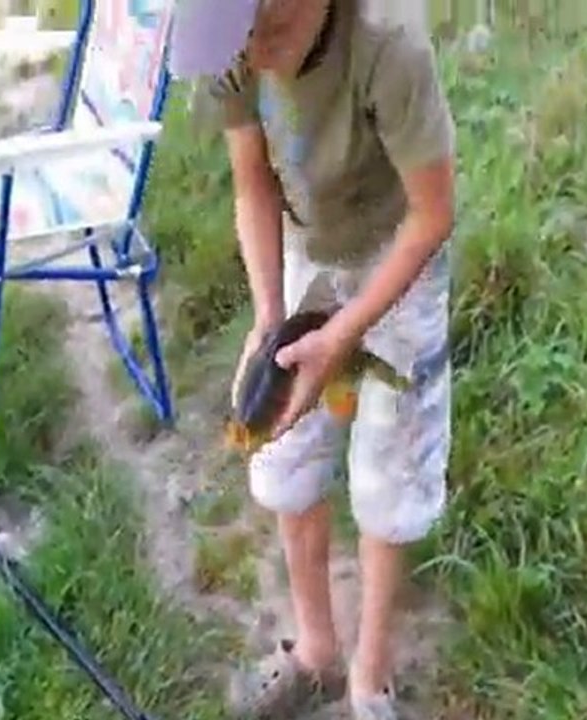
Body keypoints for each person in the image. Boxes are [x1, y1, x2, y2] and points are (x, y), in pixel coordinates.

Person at [168, 0, 456, 718]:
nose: (252, 59)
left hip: (400, 258)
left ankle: (369, 678)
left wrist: (347, 334)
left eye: (269, 34)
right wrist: (270, 314)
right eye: (238, 41)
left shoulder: (388, 42)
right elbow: (253, 180)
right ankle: (318, 652)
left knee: (391, 476)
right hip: (306, 256)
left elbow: (432, 214)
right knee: (284, 458)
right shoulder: (223, 28)